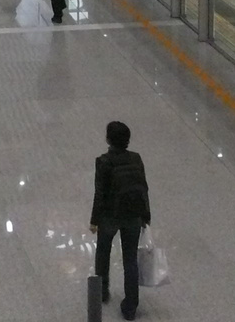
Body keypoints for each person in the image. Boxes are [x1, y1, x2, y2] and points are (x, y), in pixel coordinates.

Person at [91, 120, 152, 320]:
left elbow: (99, 193)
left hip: (110, 216)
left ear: (108, 140)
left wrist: (94, 219)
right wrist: (145, 216)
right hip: (133, 216)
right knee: (130, 260)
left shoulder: (104, 161)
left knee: (103, 252)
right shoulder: (137, 159)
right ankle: (130, 306)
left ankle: (102, 292)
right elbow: (144, 187)